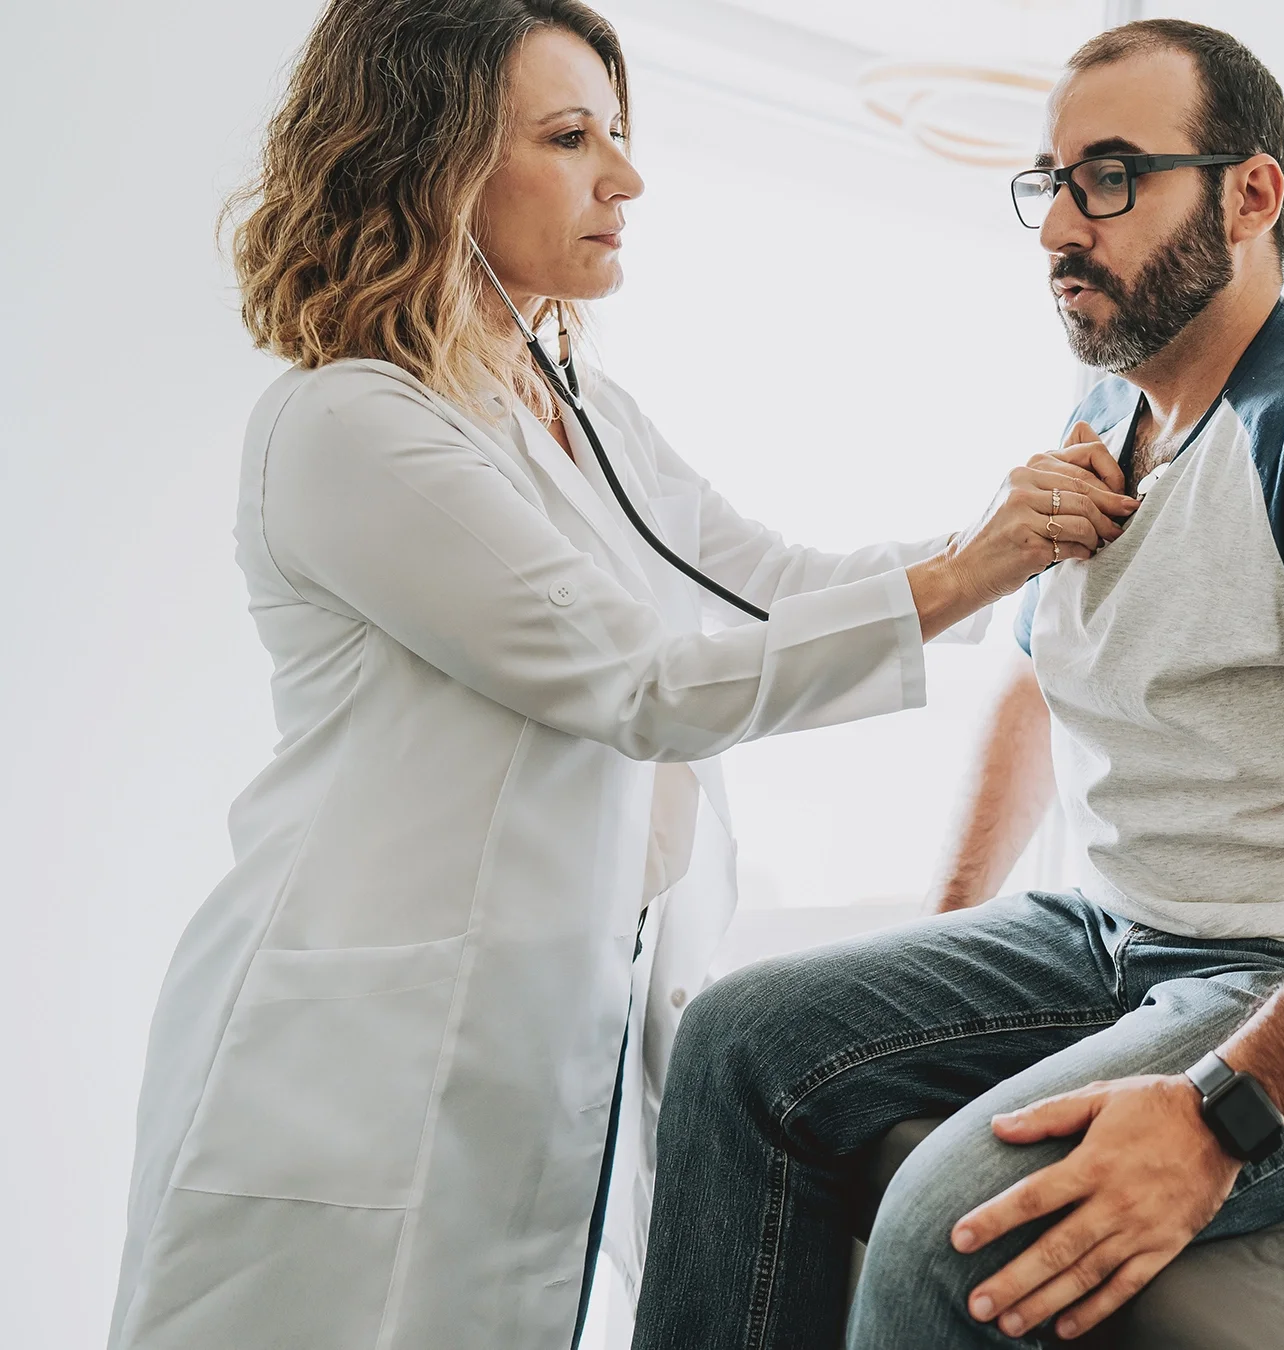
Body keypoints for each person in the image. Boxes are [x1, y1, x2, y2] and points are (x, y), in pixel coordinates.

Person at [105, 4, 1136, 1348]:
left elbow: (771, 580)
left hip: (533, 1047)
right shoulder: (348, 423)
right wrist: (977, 567)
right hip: (351, 1071)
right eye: (570, 136)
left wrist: (1009, 538)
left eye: (619, 134)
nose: (626, 177)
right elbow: (642, 681)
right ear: (434, 163)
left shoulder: (576, 407)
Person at [634, 19, 1284, 1349]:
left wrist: (1223, 1111)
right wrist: (935, 942)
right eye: (1054, 182)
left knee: (948, 1226)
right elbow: (1031, 689)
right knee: (736, 1042)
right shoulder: (1098, 417)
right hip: (1115, 938)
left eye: (1114, 175)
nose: (1065, 223)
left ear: (1252, 193)